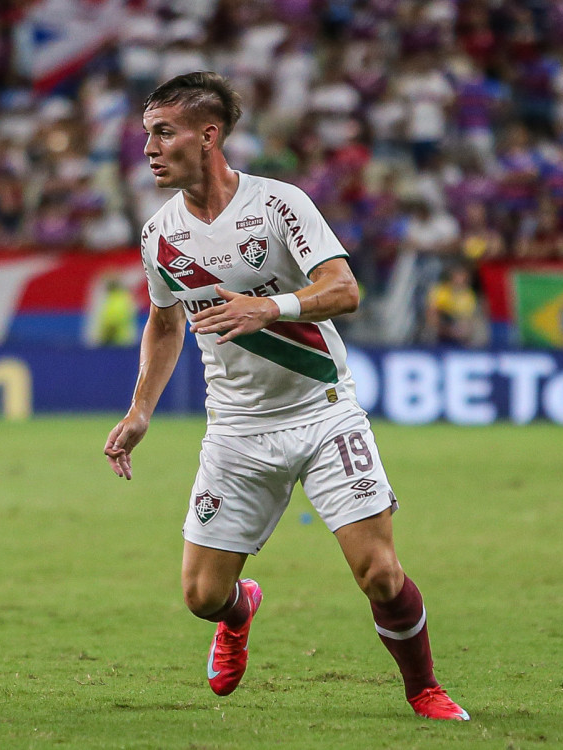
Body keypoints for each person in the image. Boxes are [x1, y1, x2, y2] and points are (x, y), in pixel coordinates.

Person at [103, 72, 469, 721]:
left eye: (164, 132)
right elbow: (164, 323)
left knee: (379, 573)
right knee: (200, 596)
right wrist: (140, 412)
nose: (150, 148)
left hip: (324, 413)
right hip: (237, 430)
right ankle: (241, 610)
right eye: (146, 134)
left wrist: (269, 307)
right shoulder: (159, 233)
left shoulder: (278, 205)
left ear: (208, 135)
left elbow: (345, 289)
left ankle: (424, 690)